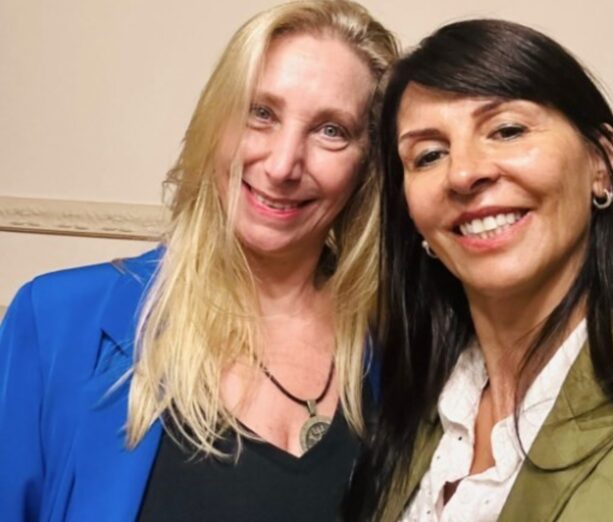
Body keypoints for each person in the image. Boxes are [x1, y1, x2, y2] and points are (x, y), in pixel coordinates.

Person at [0, 1, 398, 521]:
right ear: (217, 122)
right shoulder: (58, 322)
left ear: (368, 164)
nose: (283, 165)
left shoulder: (396, 350)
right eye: (261, 113)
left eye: (331, 130)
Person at [343, 19, 613, 522]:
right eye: (429, 155)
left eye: (507, 130)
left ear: (601, 162)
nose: (464, 173)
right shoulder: (405, 411)